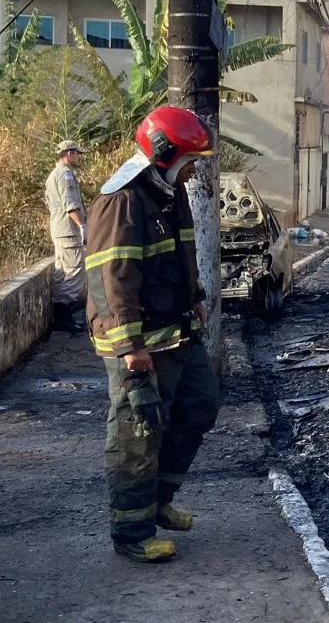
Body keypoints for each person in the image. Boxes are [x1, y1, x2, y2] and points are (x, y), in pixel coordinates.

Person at [85, 106, 221, 563]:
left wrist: (197, 295)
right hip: (138, 341)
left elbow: (182, 254)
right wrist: (130, 347)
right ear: (164, 154)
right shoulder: (122, 200)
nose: (195, 169)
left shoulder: (168, 192)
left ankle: (158, 500)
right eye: (191, 159)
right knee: (136, 431)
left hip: (176, 328)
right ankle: (131, 532)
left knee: (200, 405)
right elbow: (111, 278)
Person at [44, 140, 88, 333]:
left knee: (62, 273)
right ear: (69, 153)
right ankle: (64, 317)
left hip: (59, 229)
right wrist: (82, 226)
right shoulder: (65, 175)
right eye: (77, 153)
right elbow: (71, 205)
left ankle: (62, 318)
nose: (78, 157)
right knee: (74, 274)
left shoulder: (54, 175)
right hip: (68, 231)